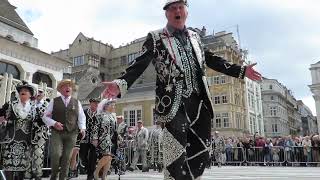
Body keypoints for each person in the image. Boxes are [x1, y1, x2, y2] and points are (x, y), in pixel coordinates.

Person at [102, 0, 261, 178]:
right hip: (174, 105)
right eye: (172, 8)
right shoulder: (156, 38)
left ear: (186, 11)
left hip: (200, 103)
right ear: (166, 13)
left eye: (180, 7)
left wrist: (241, 70)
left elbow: (213, 59)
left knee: (200, 153)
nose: (177, 11)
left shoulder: (195, 37)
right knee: (175, 155)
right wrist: (120, 83)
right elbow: (139, 63)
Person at [43, 79, 86, 180]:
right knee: (56, 154)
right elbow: (45, 117)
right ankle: (53, 176)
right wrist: (54, 123)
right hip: (57, 132)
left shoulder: (77, 102)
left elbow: (81, 117)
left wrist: (82, 128)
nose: (68, 87)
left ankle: (63, 178)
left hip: (72, 133)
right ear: (60, 89)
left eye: (69, 86)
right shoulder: (54, 101)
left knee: (67, 157)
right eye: (65, 86)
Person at [0, 81, 38, 180]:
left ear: (30, 94)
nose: (23, 91)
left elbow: (39, 122)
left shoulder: (34, 108)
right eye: (21, 90)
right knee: (9, 166)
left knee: (22, 167)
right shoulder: (10, 105)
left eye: (26, 90)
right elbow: (0, 115)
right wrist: (3, 120)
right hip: (10, 140)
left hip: (26, 141)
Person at [25, 88, 50, 180]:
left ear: (44, 94)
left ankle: (38, 174)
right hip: (29, 133)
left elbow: (43, 115)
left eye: (40, 92)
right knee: (28, 153)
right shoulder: (30, 103)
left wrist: (36, 106)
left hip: (40, 133)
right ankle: (28, 173)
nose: (38, 93)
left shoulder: (46, 104)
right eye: (37, 91)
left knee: (38, 153)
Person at [92, 99, 118, 180]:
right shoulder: (99, 115)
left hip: (112, 139)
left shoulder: (113, 116)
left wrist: (119, 138)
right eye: (112, 105)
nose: (114, 107)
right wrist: (95, 138)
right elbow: (95, 128)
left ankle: (104, 175)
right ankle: (96, 172)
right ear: (106, 106)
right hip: (103, 138)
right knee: (107, 156)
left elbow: (115, 129)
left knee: (110, 158)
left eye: (114, 105)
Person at [77, 98, 100, 180]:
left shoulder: (99, 113)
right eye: (94, 103)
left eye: (97, 103)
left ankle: (90, 175)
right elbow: (79, 122)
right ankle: (88, 168)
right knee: (82, 155)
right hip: (84, 137)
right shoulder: (84, 112)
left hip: (95, 139)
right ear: (90, 103)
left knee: (93, 157)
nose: (96, 104)